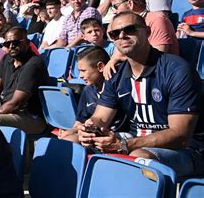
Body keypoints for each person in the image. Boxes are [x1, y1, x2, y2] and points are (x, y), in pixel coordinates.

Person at [78, 12, 204, 177]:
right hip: (136, 139)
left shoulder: (177, 70)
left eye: (130, 29)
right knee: (71, 140)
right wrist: (90, 128)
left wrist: (126, 145)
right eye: (115, 34)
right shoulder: (115, 75)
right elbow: (101, 117)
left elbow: (181, 135)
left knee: (139, 158)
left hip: (187, 150)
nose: (122, 36)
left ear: (148, 32)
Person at [0, 27, 54, 134]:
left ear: (27, 43)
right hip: (8, 109)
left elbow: (16, 103)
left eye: (16, 42)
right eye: (8, 44)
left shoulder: (34, 64)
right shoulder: (7, 59)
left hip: (31, 117)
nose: (12, 46)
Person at [60, 46, 126, 142]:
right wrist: (72, 130)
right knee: (66, 141)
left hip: (118, 136)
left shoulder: (119, 87)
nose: (80, 76)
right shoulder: (87, 91)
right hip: (93, 134)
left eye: (83, 71)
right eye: (79, 71)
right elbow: (80, 121)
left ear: (100, 67)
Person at [110, 0, 179, 54]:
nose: (115, 12)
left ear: (130, 4)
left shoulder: (157, 19)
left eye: (116, 6)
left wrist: (119, 57)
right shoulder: (122, 25)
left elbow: (159, 54)